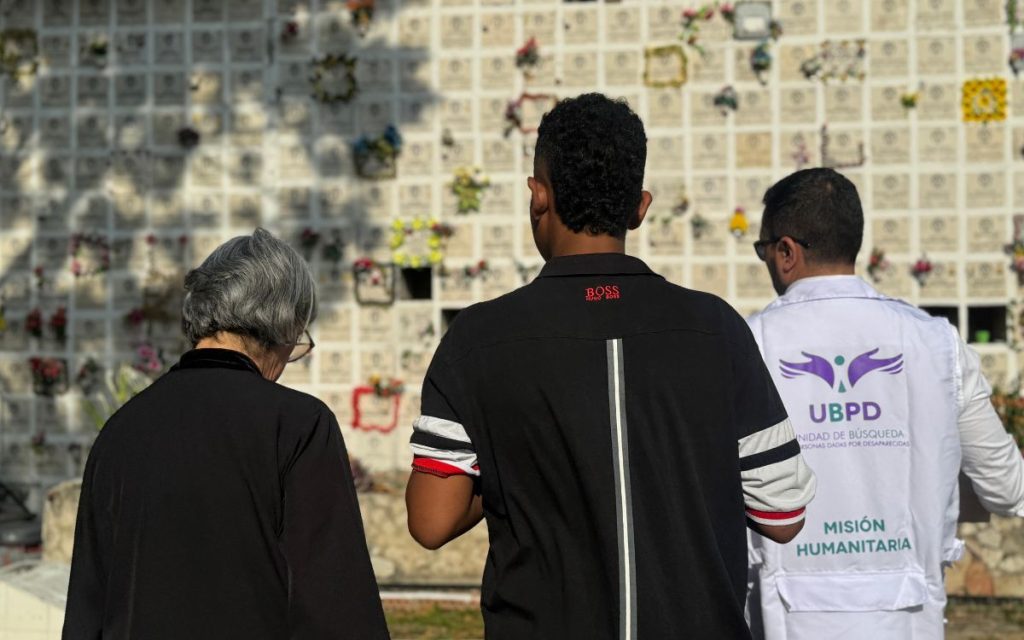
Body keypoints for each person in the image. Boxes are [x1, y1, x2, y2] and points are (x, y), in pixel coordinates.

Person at [404, 93, 816, 639]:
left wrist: (513, 476)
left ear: (538, 196)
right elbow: (782, 516)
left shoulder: (477, 341)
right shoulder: (716, 330)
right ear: (640, 208)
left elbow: (431, 522)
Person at [64, 229, 389, 639]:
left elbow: (88, 603)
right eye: (297, 344)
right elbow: (335, 601)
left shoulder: (121, 429)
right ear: (284, 326)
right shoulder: (296, 425)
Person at [745, 168, 1024, 640]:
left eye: (763, 250)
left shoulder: (748, 342)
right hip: (908, 616)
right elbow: (1006, 488)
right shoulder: (936, 343)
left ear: (786, 251)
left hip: (786, 617)